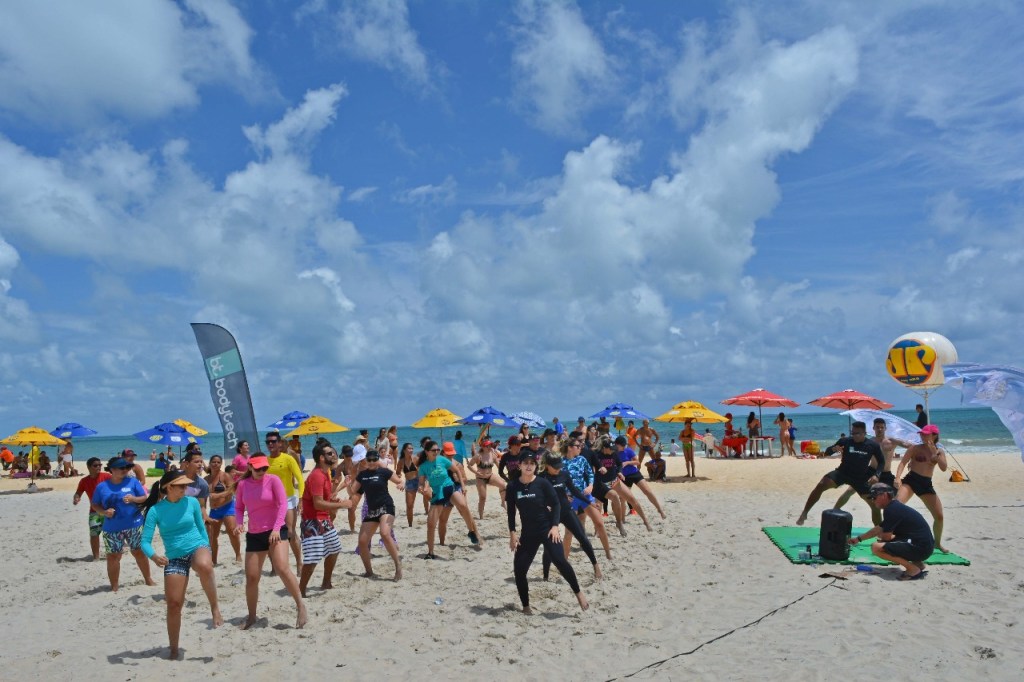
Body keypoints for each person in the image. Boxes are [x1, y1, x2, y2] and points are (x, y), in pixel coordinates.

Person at [140, 472, 223, 659]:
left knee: (204, 565)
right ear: (169, 487)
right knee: (174, 605)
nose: (186, 489)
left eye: (187, 486)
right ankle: (174, 648)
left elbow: (202, 529)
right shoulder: (156, 510)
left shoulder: (192, 503)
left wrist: (207, 549)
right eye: (181, 486)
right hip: (174, 557)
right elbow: (144, 541)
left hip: (196, 547)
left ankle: (215, 607)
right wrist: (154, 557)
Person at [507, 451, 589, 614]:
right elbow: (511, 512)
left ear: (536, 466)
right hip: (528, 533)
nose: (529, 466)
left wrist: (554, 527)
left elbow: (556, 504)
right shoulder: (513, 486)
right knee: (519, 569)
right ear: (520, 465)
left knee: (560, 561)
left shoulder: (543, 484)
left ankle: (578, 592)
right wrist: (512, 533)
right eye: (526, 463)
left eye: (532, 463)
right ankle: (526, 606)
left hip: (547, 529)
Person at [233, 454, 307, 630]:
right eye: (258, 468)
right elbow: (238, 507)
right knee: (251, 577)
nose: (262, 471)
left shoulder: (273, 480)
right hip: (255, 533)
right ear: (250, 467)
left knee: (281, 568)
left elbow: (283, 504)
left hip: (276, 530)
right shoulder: (243, 484)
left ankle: (300, 606)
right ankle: (252, 616)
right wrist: (238, 523)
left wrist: (275, 528)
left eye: (264, 468)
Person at [796, 421, 884, 526]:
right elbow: (827, 452)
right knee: (821, 484)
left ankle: (879, 532)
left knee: (875, 506)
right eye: (853, 433)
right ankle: (805, 512)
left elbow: (881, 462)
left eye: (858, 433)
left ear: (865, 433)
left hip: (860, 478)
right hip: (842, 473)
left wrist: (877, 475)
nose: (855, 436)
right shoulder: (845, 441)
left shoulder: (872, 445)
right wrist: (833, 449)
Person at [90, 456, 156, 591]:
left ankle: (148, 579)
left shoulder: (133, 482)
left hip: (134, 524)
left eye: (127, 467)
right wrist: (104, 512)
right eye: (122, 468)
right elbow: (95, 504)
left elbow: (144, 498)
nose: (125, 470)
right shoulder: (102, 487)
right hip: (112, 528)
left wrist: (133, 498)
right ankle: (114, 586)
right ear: (112, 470)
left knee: (139, 552)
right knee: (113, 556)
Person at [538, 450, 603, 580]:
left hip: (566, 511)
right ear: (547, 465)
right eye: (555, 467)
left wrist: (589, 502)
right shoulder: (541, 478)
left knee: (582, 538)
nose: (558, 469)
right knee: (549, 548)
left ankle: (596, 566)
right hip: (550, 515)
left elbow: (574, 491)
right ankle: (545, 576)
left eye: (559, 466)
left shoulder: (564, 474)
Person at [848, 483, 934, 580]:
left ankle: (912, 569)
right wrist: (859, 539)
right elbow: (879, 528)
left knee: (876, 547)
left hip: (921, 548)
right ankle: (918, 564)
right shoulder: (894, 507)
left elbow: (885, 538)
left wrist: (883, 537)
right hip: (925, 547)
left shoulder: (891, 510)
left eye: (874, 497)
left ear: (884, 495)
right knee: (894, 540)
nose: (872, 500)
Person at [299, 441, 353, 596]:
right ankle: (300, 591)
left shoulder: (325, 474)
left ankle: (326, 582)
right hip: (312, 521)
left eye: (334, 452)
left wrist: (334, 500)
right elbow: (317, 503)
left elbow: (324, 498)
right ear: (321, 458)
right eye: (330, 453)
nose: (334, 454)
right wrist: (342, 505)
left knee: (334, 549)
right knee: (313, 558)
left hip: (323, 519)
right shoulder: (317, 475)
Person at [417, 439, 482, 559]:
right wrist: (421, 489)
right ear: (426, 451)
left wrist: (462, 486)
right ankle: (431, 552)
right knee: (431, 524)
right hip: (438, 494)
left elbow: (456, 470)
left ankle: (471, 531)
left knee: (463, 506)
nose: (436, 452)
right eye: (433, 450)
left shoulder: (442, 460)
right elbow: (421, 483)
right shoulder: (423, 467)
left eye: (437, 450)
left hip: (449, 488)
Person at [834, 418, 909, 513]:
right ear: (873, 428)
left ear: (885, 428)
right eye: (877, 427)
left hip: (886, 474)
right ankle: (835, 509)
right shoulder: (869, 442)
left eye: (882, 427)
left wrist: (922, 445)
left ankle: (894, 516)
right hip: (871, 471)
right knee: (850, 490)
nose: (880, 429)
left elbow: (908, 445)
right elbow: (856, 453)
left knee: (896, 496)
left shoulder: (892, 441)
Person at [894, 424, 949, 552]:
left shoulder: (939, 451)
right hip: (911, 480)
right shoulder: (915, 448)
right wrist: (897, 477)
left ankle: (937, 543)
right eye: (922, 434)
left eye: (926, 434)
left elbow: (944, 468)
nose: (922, 436)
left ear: (934, 435)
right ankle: (893, 537)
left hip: (925, 484)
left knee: (939, 516)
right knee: (896, 506)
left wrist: (935, 454)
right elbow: (903, 462)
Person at [351, 449, 403, 581]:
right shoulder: (362, 475)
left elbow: (399, 480)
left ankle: (397, 564)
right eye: (370, 460)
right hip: (372, 510)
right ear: (366, 461)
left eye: (375, 459)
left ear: (378, 459)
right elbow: (352, 491)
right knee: (362, 542)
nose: (372, 462)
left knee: (385, 534)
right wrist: (346, 485)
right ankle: (369, 571)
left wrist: (402, 484)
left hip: (386, 506)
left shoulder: (383, 471)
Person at [560, 434, 611, 560]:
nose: (580, 447)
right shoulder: (560, 463)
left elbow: (590, 474)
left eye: (581, 445)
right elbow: (556, 482)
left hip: (585, 496)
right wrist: (564, 495)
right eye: (578, 446)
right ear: (570, 447)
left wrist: (590, 486)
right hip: (571, 499)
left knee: (599, 524)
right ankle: (564, 561)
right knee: (569, 532)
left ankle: (608, 554)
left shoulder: (582, 459)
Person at [265, 432, 305, 573]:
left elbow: (300, 479)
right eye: (268, 442)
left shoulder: (288, 459)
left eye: (273, 441)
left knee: (289, 532)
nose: (271, 444)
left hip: (288, 500)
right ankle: (274, 566)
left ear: (279, 443)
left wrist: (300, 499)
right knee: (270, 533)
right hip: (270, 503)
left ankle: (299, 562)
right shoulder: (265, 461)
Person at [614, 436, 665, 521]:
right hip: (623, 477)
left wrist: (627, 462)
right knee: (622, 498)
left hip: (634, 473)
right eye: (618, 445)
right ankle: (622, 519)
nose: (619, 447)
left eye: (620, 445)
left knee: (647, 491)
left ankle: (660, 510)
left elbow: (637, 462)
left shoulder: (628, 450)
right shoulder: (614, 453)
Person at [72, 457, 111, 560]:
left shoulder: (106, 477)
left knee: (109, 534)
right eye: (95, 465)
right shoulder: (84, 481)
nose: (98, 467)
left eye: (100, 465)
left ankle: (111, 555)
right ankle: (96, 557)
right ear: (89, 467)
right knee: (94, 534)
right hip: (94, 511)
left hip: (108, 511)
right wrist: (76, 498)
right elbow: (79, 492)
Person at [204, 455, 241, 564]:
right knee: (212, 536)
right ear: (210, 463)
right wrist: (203, 511)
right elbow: (203, 496)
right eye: (213, 462)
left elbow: (232, 490)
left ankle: (238, 555)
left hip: (227, 507)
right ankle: (213, 559)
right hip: (214, 510)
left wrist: (218, 495)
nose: (216, 464)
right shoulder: (206, 479)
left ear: (221, 464)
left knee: (232, 531)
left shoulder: (225, 476)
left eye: (218, 462)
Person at [467, 439, 507, 519]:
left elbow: (498, 465)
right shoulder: (478, 456)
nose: (489, 447)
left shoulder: (492, 454)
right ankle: (481, 516)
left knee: (503, 485)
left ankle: (503, 502)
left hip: (490, 476)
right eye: (487, 446)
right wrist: (476, 472)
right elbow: (469, 465)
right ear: (483, 447)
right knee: (483, 497)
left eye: (490, 445)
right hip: (480, 478)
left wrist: (503, 473)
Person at [398, 442, 426, 527]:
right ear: (404, 450)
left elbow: (423, 469)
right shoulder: (401, 461)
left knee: (431, 498)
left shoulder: (415, 459)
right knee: (409, 505)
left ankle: (433, 515)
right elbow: (397, 472)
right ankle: (410, 525)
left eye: (412, 448)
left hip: (419, 481)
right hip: (409, 483)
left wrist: (422, 483)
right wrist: (400, 480)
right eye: (409, 448)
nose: (411, 450)